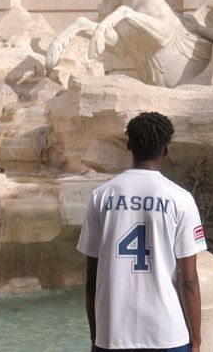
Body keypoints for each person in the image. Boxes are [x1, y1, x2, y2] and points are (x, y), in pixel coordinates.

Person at [78, 111, 204, 352]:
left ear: (129, 145)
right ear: (166, 149)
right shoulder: (180, 199)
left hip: (113, 335)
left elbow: (91, 280)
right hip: (167, 334)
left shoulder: (101, 196)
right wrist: (196, 342)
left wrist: (97, 337)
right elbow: (189, 280)